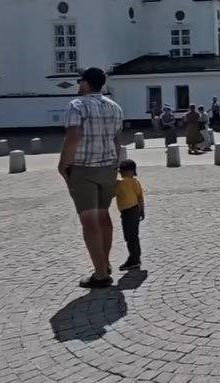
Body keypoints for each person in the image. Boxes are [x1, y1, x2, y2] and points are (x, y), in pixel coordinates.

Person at [58, 67, 124, 289]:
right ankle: (105, 262)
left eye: (80, 81)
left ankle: (100, 274)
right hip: (108, 167)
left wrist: (63, 163)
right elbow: (117, 139)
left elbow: (73, 135)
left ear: (85, 83)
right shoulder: (114, 107)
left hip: (83, 168)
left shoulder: (77, 105)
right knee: (104, 216)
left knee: (89, 220)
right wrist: (115, 163)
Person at [116, 159, 145, 271]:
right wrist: (142, 211)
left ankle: (133, 259)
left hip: (127, 211)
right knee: (134, 235)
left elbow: (112, 192)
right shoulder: (136, 182)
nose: (120, 172)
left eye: (121, 170)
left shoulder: (120, 182)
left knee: (129, 236)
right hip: (136, 209)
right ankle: (136, 257)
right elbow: (140, 197)